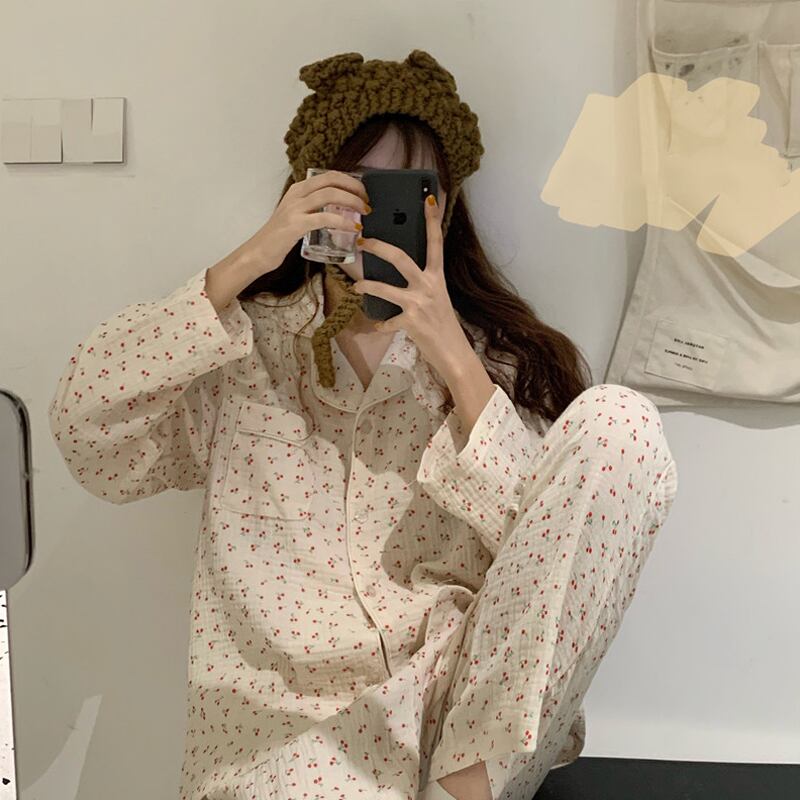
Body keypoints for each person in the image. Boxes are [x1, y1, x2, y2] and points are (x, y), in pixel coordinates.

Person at [48, 49, 679, 800]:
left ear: (443, 208)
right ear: (306, 194)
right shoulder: (241, 354)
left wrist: (455, 359)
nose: (377, 214)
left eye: (409, 193)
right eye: (354, 187)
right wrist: (248, 260)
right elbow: (89, 435)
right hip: (290, 744)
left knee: (621, 421)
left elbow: (547, 567)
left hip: (465, 735)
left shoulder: (499, 364)